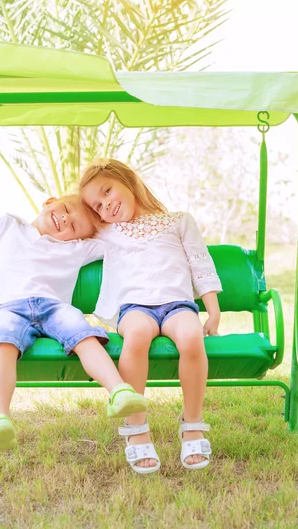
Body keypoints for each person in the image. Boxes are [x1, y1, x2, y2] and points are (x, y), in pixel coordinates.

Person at [0, 194, 147, 451]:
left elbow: (117, 238)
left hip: (53, 307)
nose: (65, 219)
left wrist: (110, 210)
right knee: (3, 340)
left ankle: (119, 391)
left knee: (82, 334)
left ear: (81, 238)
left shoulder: (78, 247)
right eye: (66, 209)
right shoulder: (8, 224)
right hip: (7, 306)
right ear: (50, 201)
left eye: (75, 227)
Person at [79, 160, 222, 474]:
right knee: (138, 336)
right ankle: (137, 429)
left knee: (191, 336)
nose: (107, 205)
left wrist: (213, 310)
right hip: (135, 309)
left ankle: (193, 424)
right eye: (98, 205)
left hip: (178, 305)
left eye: (108, 191)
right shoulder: (107, 232)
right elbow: (69, 232)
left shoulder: (179, 221)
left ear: (128, 181)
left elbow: (201, 263)